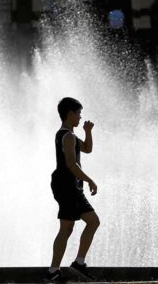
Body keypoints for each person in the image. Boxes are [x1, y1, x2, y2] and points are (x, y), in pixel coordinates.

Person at [45, 97, 100, 282]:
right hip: (67, 185)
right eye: (78, 113)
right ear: (70, 113)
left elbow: (87, 149)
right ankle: (55, 271)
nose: (80, 116)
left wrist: (88, 131)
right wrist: (90, 179)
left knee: (87, 223)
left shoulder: (71, 135)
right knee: (69, 227)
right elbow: (71, 163)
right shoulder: (66, 136)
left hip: (71, 185)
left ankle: (76, 263)